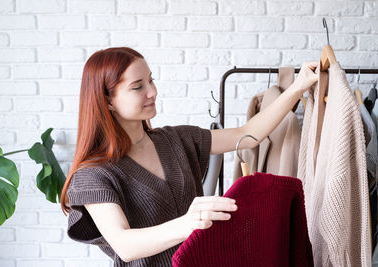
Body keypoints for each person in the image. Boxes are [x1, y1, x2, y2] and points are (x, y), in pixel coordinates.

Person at [60, 47, 318, 266]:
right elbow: (124, 244)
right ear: (107, 102)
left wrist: (299, 86)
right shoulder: (92, 175)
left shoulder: (177, 140)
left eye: (151, 80)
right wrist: (189, 223)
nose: (153, 92)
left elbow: (249, 133)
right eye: (138, 87)